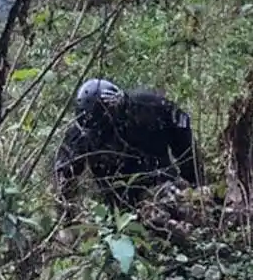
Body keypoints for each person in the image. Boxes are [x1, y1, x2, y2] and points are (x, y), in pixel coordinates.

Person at [54, 79, 203, 209]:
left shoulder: (149, 107)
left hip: (163, 185)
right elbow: (64, 176)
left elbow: (184, 139)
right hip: (119, 204)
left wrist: (195, 182)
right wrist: (67, 219)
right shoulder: (82, 132)